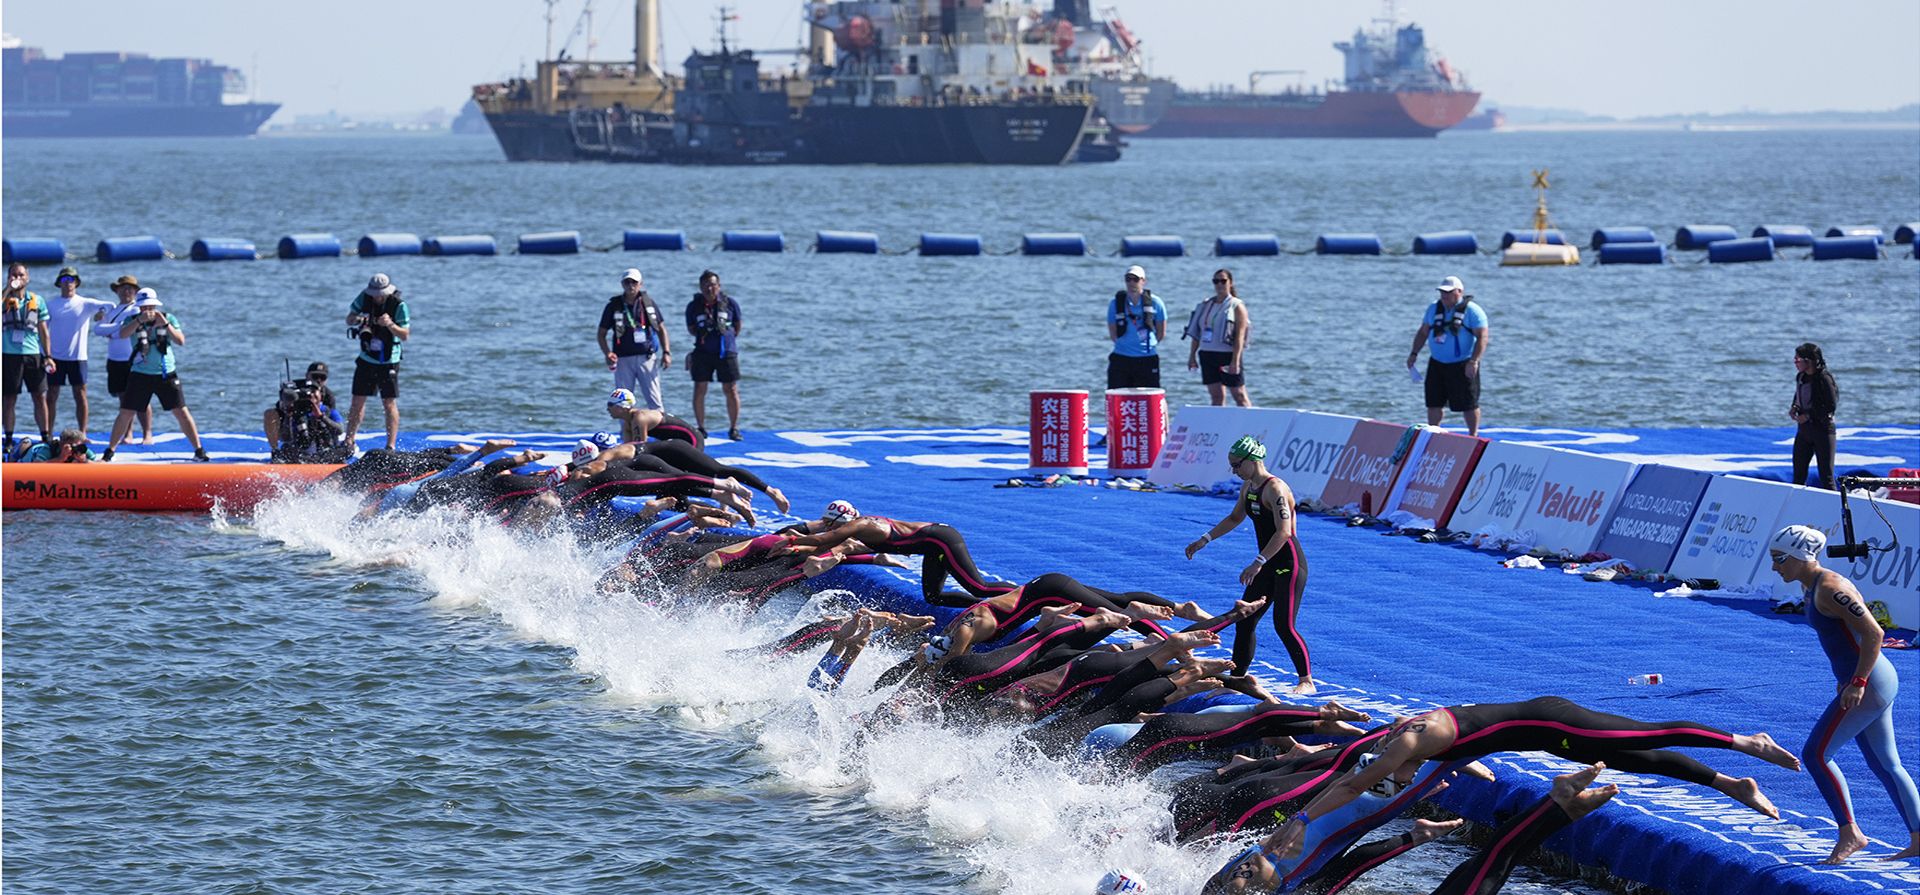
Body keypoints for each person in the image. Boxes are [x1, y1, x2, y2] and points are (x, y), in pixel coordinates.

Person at [1267, 695, 1802, 861]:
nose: (1405, 779)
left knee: (1642, 737)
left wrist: (1301, 818)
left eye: (1400, 778)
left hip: (1551, 720)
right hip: (1543, 735)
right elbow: (1465, 742)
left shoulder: (1407, 744)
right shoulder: (1407, 744)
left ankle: (1744, 743)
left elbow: (1355, 785)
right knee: (1638, 761)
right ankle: (1729, 785)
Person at [1768, 524, 1920, 863]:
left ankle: (1850, 833)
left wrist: (1858, 682)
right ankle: (1919, 836)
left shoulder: (1830, 588)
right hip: (1867, 681)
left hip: (1871, 684)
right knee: (1886, 763)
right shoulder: (1813, 586)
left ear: (1801, 557)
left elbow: (1875, 633)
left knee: (1816, 755)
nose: (1775, 567)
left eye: (1780, 559)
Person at [1186, 435, 1313, 693]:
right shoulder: (1248, 487)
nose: (1233, 471)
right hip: (1266, 563)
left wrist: (1258, 561)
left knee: (1284, 625)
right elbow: (1234, 518)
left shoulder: (1275, 489)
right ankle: (1237, 678)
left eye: (1236, 465)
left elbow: (1284, 532)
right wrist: (1204, 539)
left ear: (1252, 460)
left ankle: (1306, 681)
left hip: (1288, 563)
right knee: (1245, 620)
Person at [102, 290, 210, 462]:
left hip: (166, 373)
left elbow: (180, 341)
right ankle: (109, 452)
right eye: (144, 307)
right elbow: (122, 334)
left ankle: (198, 450)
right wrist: (139, 320)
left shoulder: (168, 318)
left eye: (151, 306)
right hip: (140, 374)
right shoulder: (132, 319)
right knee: (125, 413)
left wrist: (165, 324)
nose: (148, 310)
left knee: (181, 411)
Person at [1406, 276, 1488, 436]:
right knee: (1433, 402)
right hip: (1437, 363)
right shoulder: (1433, 309)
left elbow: (1483, 337)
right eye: (1442, 292)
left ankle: (1473, 435)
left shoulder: (1473, 311)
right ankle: (1433, 433)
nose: (1444, 296)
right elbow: (1423, 332)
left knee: (1469, 403)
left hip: (1463, 363)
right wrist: (1414, 353)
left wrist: (1474, 361)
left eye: (1449, 292)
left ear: (1459, 292)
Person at [42, 267, 117, 435]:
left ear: (76, 283)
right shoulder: (51, 304)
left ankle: (83, 433)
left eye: (71, 280)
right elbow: (42, 330)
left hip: (78, 357)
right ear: (58, 283)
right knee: (51, 395)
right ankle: (48, 433)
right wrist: (45, 355)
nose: (67, 283)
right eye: (64, 280)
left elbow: (110, 305)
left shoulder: (85, 303)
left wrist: (101, 314)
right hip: (55, 358)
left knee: (80, 394)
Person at [344, 273, 411, 452]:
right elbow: (349, 319)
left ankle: (390, 445)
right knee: (357, 400)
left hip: (389, 360)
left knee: (388, 402)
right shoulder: (364, 298)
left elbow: (405, 335)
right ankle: (349, 441)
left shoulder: (399, 306)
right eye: (374, 293)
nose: (377, 297)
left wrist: (389, 324)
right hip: (367, 357)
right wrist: (359, 320)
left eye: (380, 293)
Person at [598, 268, 672, 411]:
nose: (630, 285)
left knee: (655, 401)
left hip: (647, 358)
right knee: (622, 403)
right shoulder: (614, 306)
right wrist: (607, 353)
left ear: (640, 284)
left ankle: (659, 432)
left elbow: (662, 329)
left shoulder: (648, 304)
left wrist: (666, 352)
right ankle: (626, 432)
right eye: (627, 282)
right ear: (622, 284)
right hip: (623, 360)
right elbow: (601, 333)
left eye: (634, 282)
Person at [684, 270, 743, 441]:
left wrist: (726, 337)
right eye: (705, 285)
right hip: (702, 352)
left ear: (719, 286)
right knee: (700, 388)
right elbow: (691, 329)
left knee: (731, 389)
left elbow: (738, 326)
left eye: (712, 285)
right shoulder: (693, 306)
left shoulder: (730, 303)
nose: (709, 289)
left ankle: (733, 428)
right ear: (700, 287)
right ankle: (701, 428)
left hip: (726, 352)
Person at [3, 261, 56, 450]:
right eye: (14, 275)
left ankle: (45, 437)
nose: (18, 278)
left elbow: (43, 330)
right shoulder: (3, 298)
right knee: (9, 398)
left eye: (21, 275)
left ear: (28, 277)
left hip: (33, 354)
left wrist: (48, 355)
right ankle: (8, 438)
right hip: (9, 355)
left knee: (40, 396)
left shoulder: (37, 300)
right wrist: (7, 290)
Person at [95, 275, 153, 445]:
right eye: (123, 288)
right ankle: (128, 434)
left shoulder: (136, 309)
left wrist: (112, 331)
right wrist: (117, 329)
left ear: (135, 291)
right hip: (114, 360)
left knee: (141, 398)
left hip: (133, 359)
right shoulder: (112, 310)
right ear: (117, 290)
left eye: (130, 288)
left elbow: (125, 329)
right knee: (123, 398)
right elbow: (98, 330)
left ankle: (147, 433)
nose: (126, 291)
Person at [1185, 268, 1251, 406]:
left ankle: (1252, 424)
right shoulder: (1206, 304)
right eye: (1216, 281)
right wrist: (1192, 356)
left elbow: (1239, 337)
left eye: (1223, 281)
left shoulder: (1236, 306)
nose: (1219, 284)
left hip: (1227, 356)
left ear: (1230, 283)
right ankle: (1218, 426)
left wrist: (1235, 361)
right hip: (1207, 354)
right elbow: (1197, 333)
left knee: (1239, 395)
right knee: (1216, 396)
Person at [264, 362, 348, 463]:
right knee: (287, 445)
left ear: (321, 394)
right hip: (300, 435)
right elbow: (287, 436)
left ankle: (318, 458)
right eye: (315, 376)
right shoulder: (293, 392)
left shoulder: (327, 404)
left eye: (322, 377)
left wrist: (321, 416)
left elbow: (339, 430)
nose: (318, 380)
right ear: (307, 375)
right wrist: (289, 414)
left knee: (347, 448)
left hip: (323, 444)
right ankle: (278, 451)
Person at [1106, 264, 1167, 389]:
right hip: (1121, 357)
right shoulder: (1115, 304)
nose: (1131, 283)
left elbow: (1161, 333)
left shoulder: (1156, 303)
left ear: (1143, 281)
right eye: (1128, 279)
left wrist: (1146, 347)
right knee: (1117, 395)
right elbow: (1113, 332)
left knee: (1151, 395)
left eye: (1135, 279)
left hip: (1147, 358)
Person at [1789, 342, 1840, 490]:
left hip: (1823, 431)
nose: (1795, 363)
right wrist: (1795, 407)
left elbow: (1831, 406)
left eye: (1797, 360)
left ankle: (1835, 509)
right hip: (1804, 432)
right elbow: (1798, 395)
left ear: (1808, 361)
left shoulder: (1824, 379)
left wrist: (1809, 415)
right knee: (1798, 475)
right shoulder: (1801, 377)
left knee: (1826, 476)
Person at [604, 389, 704, 448]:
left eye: (610, 405)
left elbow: (640, 449)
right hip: (678, 443)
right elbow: (628, 449)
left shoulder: (639, 418)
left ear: (623, 407)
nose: (607, 408)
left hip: (693, 439)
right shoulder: (627, 422)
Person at [18, 428, 94, 463]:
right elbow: (36, 465)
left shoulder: (81, 450)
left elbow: (102, 463)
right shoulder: (48, 449)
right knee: (25, 445)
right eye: (70, 445)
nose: (73, 448)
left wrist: (85, 461)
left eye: (76, 445)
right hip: (28, 456)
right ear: (61, 443)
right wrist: (60, 458)